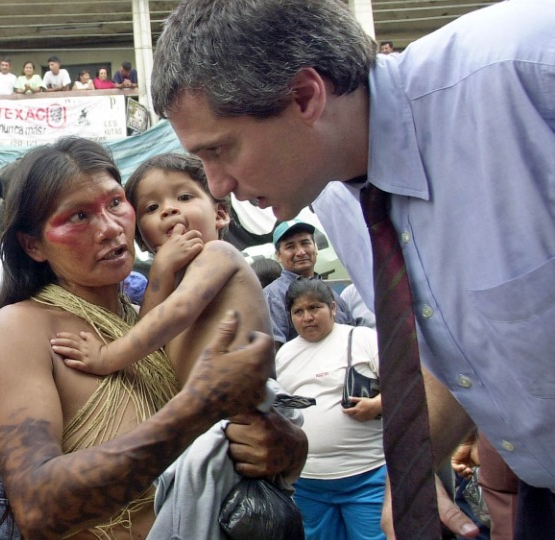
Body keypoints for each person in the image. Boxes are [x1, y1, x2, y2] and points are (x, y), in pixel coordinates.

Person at [150, 0, 555, 537]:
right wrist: (409, 471)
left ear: (304, 96)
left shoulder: (526, 70)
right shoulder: (336, 197)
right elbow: (456, 347)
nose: (216, 184)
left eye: (220, 150)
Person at [0, 137, 307, 539]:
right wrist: (194, 409)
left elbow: (241, 430)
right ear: (33, 245)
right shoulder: (18, 329)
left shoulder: (149, 325)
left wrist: (286, 448)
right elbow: (37, 509)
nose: (111, 228)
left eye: (115, 203)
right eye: (79, 217)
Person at [50, 153, 270, 383]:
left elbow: (178, 312)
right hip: (205, 411)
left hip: (248, 409)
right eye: (152, 207)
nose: (169, 210)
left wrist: (106, 356)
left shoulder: (219, 254)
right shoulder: (171, 285)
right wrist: (162, 269)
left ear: (220, 214)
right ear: (142, 239)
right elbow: (148, 336)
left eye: (184, 197)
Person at [276, 278, 385, 540]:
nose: (307, 317)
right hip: (308, 482)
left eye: (314, 308)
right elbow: (287, 407)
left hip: (366, 475)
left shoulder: (363, 339)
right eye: (298, 312)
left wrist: (378, 404)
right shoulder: (284, 355)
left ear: (333, 308)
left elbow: (407, 386)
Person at [264, 219, 353, 347]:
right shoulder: (272, 296)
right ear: (278, 255)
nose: (300, 252)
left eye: (305, 243)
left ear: (315, 248)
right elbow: (274, 352)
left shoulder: (333, 294)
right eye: (290, 246)